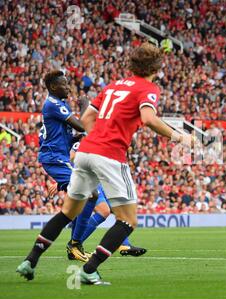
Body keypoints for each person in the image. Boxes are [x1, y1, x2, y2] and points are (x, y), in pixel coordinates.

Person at [17, 43, 195, 284]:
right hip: (109, 155)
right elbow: (148, 118)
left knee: (67, 211)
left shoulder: (113, 86)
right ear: (156, 66)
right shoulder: (148, 88)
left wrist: (97, 138)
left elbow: (87, 118)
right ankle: (89, 270)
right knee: (128, 220)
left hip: (85, 153)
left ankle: (30, 260)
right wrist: (180, 137)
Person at [33, 70, 97, 262]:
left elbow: (68, 135)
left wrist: (77, 138)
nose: (68, 87)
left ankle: (74, 245)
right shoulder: (52, 104)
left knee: (84, 197)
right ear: (53, 87)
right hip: (54, 158)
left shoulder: (59, 104)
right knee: (90, 194)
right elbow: (81, 125)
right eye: (64, 84)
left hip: (59, 156)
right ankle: (75, 245)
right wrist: (87, 105)